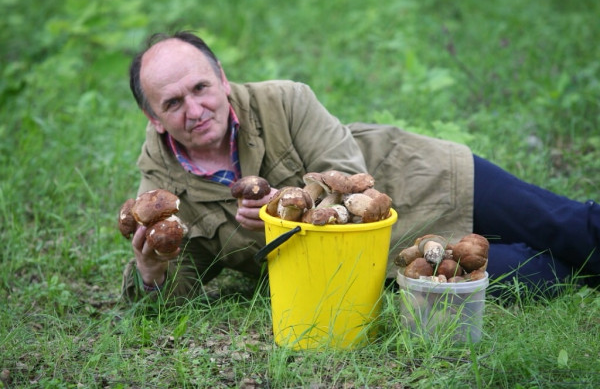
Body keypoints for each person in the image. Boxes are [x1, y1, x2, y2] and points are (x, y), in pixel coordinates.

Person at [121, 31, 600, 303]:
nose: (195, 108)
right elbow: (175, 292)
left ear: (222, 79)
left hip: (424, 178)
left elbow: (344, 168)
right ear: (154, 116)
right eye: (174, 101)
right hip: (386, 264)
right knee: (543, 275)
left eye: (201, 87)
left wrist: (283, 207)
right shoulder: (161, 190)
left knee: (569, 228)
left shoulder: (285, 100)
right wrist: (150, 271)